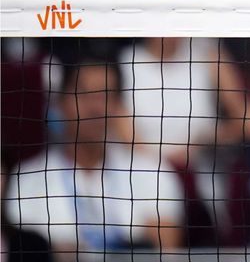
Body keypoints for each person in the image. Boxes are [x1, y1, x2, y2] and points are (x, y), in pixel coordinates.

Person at [3, 60, 185, 253]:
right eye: (84, 94)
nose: (95, 108)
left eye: (105, 96)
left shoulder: (152, 173)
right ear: (61, 101)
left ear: (118, 105)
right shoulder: (27, 180)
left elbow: (165, 249)